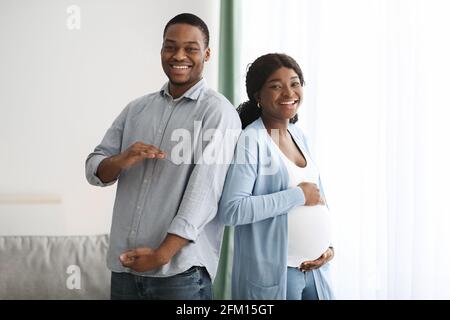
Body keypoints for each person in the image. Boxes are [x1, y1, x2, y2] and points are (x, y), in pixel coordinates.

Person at [85, 13, 241, 300]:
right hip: (125, 271)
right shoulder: (137, 109)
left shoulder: (218, 113)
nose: (178, 55)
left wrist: (161, 255)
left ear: (206, 53)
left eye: (190, 48)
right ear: (161, 51)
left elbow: (205, 192)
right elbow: (94, 168)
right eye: (170, 47)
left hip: (179, 275)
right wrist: (122, 159)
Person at [218, 53, 335, 300]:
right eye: (275, 86)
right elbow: (232, 210)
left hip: (316, 269)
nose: (288, 92)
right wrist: (297, 195)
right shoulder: (252, 140)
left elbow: (318, 197)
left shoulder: (299, 135)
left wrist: (327, 247)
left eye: (294, 83)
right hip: (278, 274)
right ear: (258, 96)